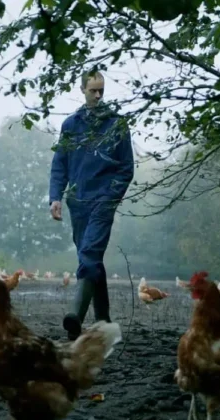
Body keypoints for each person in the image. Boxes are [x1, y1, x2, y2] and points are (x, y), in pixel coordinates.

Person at [49, 70, 134, 341]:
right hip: (78, 201)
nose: (98, 95)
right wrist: (56, 197)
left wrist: (112, 194)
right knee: (91, 259)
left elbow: (126, 168)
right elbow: (59, 164)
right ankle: (103, 320)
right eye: (93, 90)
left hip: (103, 200)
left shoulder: (117, 124)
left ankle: (76, 316)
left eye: (101, 90)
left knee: (89, 253)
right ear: (83, 90)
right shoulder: (71, 125)